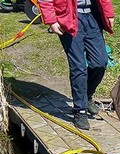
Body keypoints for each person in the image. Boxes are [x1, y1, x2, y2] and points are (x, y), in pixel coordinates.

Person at [38, 0, 115, 130]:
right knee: (78, 67)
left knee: (100, 62)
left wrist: (108, 13)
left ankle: (87, 95)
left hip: (92, 17)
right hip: (69, 18)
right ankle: (80, 111)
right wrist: (51, 20)